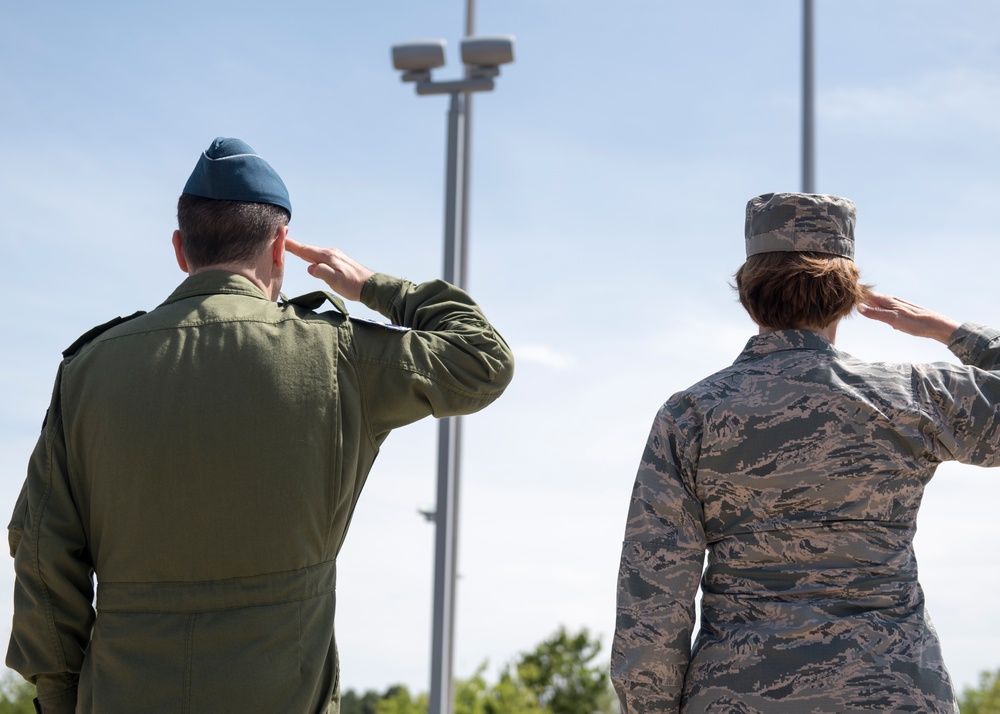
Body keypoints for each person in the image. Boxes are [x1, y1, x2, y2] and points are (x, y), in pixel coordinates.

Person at [6, 137, 515, 713]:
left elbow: (44, 554)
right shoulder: (335, 355)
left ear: (181, 248)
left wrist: (60, 697)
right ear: (280, 247)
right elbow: (483, 361)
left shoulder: (89, 369)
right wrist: (371, 285)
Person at [611, 192, 1000, 713]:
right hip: (892, 690)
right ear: (847, 295)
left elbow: (654, 594)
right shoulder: (910, 397)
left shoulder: (692, 414)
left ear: (749, 292)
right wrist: (953, 333)